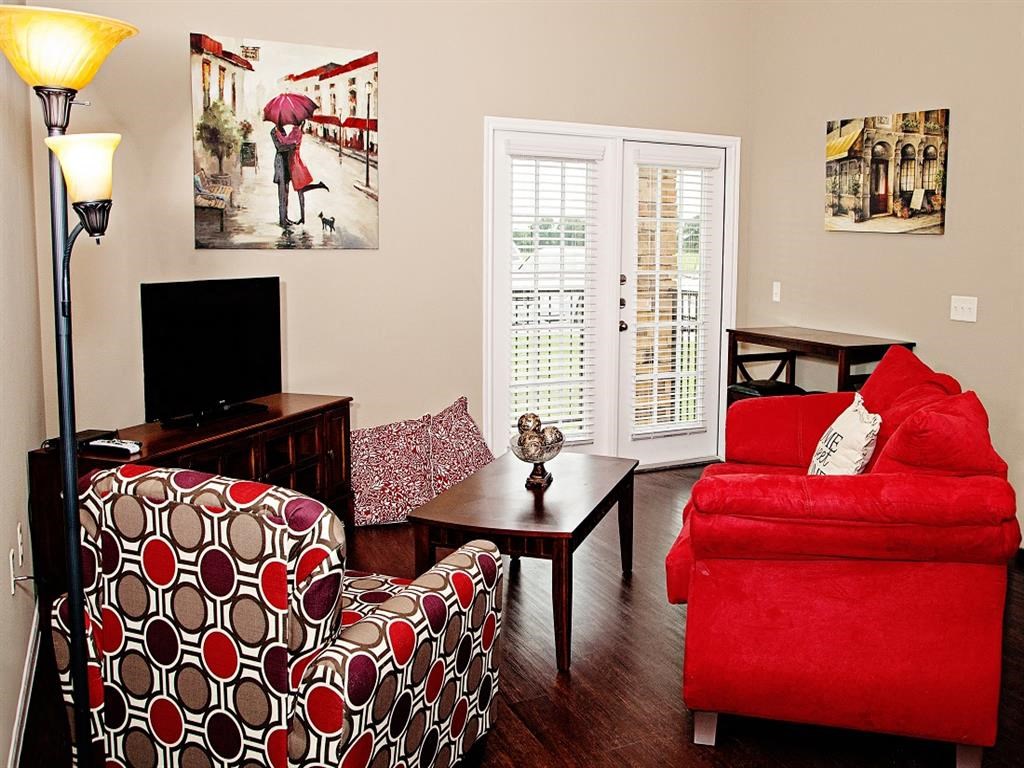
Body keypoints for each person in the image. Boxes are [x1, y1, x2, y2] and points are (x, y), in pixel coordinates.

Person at [277, 121, 329, 225]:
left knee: (300, 190)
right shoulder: (297, 131)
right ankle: (303, 217)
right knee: (301, 190)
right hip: (295, 161)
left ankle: (303, 218)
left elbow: (286, 142)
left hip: (294, 163)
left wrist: (278, 133)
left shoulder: (296, 131)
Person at [271, 123, 295, 227]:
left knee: (286, 193)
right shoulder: (273, 132)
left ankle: (286, 217)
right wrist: (291, 146)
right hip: (280, 165)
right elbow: (279, 147)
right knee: (281, 195)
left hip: (286, 165)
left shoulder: (283, 130)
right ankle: (282, 220)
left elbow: (286, 142)